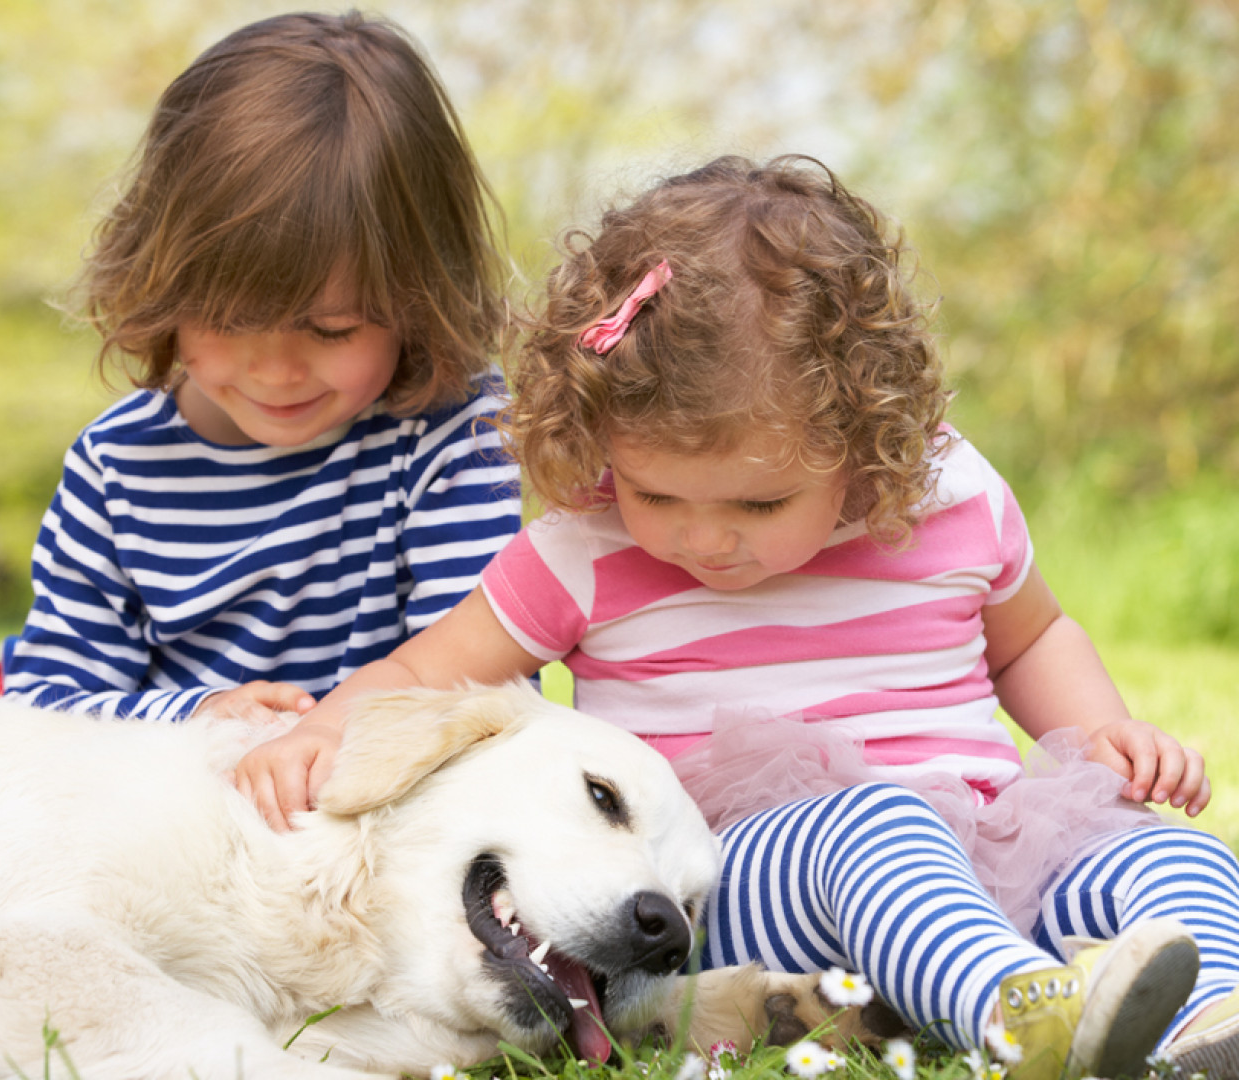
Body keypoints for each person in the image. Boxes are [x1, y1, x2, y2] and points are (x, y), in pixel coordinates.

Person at [240, 155, 1239, 1080]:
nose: (705, 539)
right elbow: (430, 672)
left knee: (1163, 850)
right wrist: (326, 725)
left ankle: (1212, 1017)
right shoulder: (585, 548)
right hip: (743, 877)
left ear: (864, 438)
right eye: (657, 495)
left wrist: (1099, 732)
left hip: (987, 835)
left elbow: (1032, 636)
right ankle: (1016, 1015)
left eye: (759, 506)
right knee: (878, 829)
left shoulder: (949, 500)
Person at [0, 13, 521, 749]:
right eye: (228, 322)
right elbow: (44, 706)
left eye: (332, 330)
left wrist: (324, 744)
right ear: (162, 283)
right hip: (180, 814)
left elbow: (484, 689)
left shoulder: (451, 432)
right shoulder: (117, 465)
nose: (275, 371)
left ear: (419, 294)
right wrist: (201, 720)